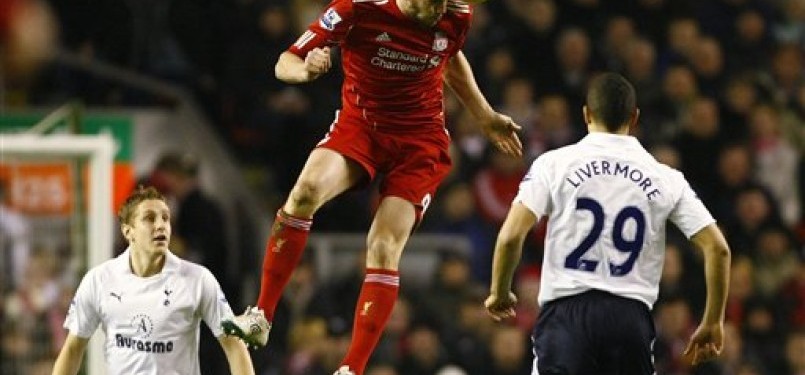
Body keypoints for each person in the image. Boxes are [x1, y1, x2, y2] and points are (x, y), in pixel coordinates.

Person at [221, 0, 523, 373]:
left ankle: (352, 368)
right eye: (430, 3)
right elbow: (286, 60)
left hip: (419, 143)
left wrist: (485, 116)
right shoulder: (357, 9)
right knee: (304, 193)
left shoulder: (455, 14)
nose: (436, 10)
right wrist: (306, 71)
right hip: (360, 127)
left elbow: (451, 57)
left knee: (382, 247)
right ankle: (261, 316)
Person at [484, 73, 731, 375]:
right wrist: (712, 321)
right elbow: (718, 249)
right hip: (630, 319)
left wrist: (499, 291)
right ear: (635, 117)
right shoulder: (666, 177)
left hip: (566, 314)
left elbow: (511, 237)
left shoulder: (554, 164)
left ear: (586, 114)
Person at [52, 186, 254, 375]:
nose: (160, 225)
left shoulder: (198, 279)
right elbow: (72, 349)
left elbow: (234, 345)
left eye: (165, 218)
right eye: (149, 218)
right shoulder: (99, 280)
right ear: (127, 231)